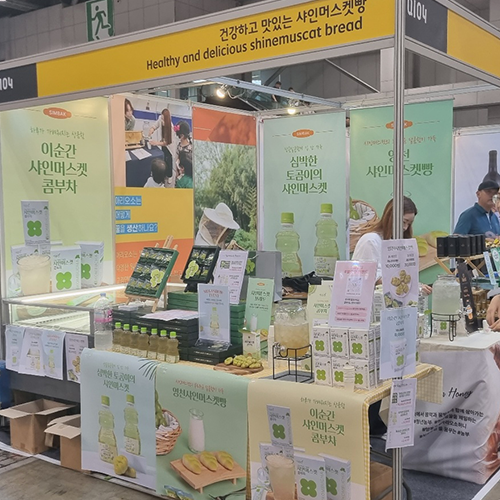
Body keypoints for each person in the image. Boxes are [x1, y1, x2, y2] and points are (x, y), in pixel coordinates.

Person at [352, 197, 432, 294]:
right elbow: (371, 276)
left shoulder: (396, 242)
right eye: (404, 222)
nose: (405, 227)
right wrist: (412, 287)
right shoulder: (371, 240)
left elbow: (400, 276)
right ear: (391, 217)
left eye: (409, 224)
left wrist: (416, 286)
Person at [149, 108, 177, 186]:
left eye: (163, 120)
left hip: (169, 146)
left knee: (169, 161)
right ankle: (164, 174)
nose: (162, 121)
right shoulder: (160, 119)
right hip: (163, 144)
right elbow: (156, 125)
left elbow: (166, 143)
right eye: (161, 118)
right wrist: (152, 129)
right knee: (164, 160)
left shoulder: (171, 128)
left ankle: (170, 176)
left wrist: (156, 143)